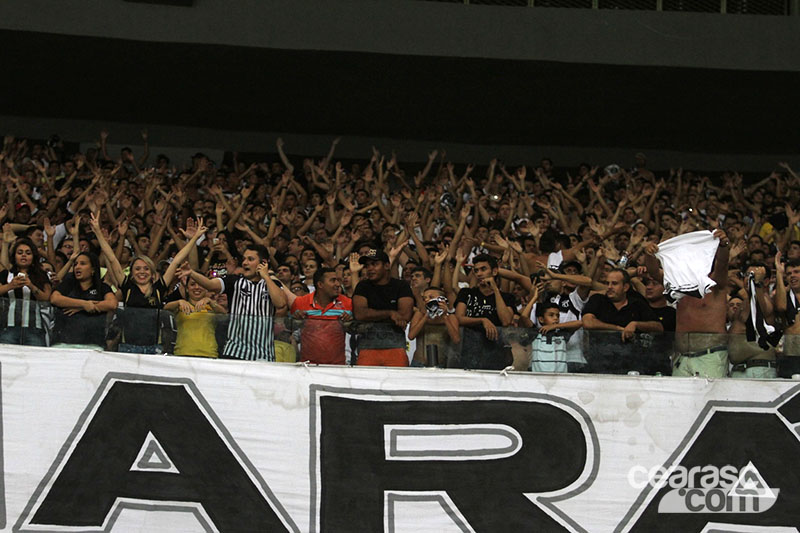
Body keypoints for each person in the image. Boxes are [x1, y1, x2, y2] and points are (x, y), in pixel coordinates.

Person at [91, 214, 208, 354]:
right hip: (127, 346)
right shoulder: (127, 286)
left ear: (152, 272)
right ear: (132, 272)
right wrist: (98, 231)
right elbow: (111, 258)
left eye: (146, 269)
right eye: (138, 269)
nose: (142, 272)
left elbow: (177, 260)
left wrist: (194, 238)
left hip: (154, 348)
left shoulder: (159, 287)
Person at [177, 244, 287, 361]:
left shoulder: (272, 285)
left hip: (264, 355)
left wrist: (266, 276)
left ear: (263, 263)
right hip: (235, 352)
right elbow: (210, 285)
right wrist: (192, 273)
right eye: (244, 259)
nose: (244, 263)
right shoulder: (234, 281)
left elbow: (280, 303)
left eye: (250, 259)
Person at [645, 230, 730, 378]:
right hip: (682, 357)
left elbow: (722, 264)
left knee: (708, 399)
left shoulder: (715, 283)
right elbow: (654, 272)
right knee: (679, 401)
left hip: (709, 356)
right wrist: (649, 255)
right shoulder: (677, 282)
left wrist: (723, 246)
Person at [582, 268, 664, 373]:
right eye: (607, 283)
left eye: (614, 283)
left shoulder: (637, 304)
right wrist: (618, 329)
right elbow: (588, 323)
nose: (609, 287)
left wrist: (635, 324)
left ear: (625, 287)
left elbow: (658, 327)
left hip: (632, 366)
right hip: (600, 365)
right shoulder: (597, 300)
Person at [351, 249, 414, 366]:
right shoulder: (362, 286)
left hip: (395, 348)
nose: (370, 268)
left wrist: (372, 315)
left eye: (374, 264)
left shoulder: (401, 286)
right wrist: (390, 313)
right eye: (367, 265)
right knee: (365, 384)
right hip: (367, 348)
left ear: (386, 265)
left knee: (397, 383)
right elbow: (360, 314)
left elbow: (404, 316)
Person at [455, 254, 515, 370]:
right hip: (471, 352)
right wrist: (483, 320)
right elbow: (459, 318)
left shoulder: (507, 298)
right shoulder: (467, 293)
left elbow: (506, 321)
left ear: (494, 271)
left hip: (497, 353)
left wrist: (495, 290)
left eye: (483, 269)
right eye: (476, 270)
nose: (479, 274)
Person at [49, 252, 117, 348]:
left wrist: (81, 308)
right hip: (63, 342)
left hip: (93, 343)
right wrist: (83, 304)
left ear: (93, 269)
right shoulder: (68, 284)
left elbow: (112, 304)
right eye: (75, 264)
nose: (77, 267)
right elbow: (54, 298)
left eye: (83, 264)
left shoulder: (102, 287)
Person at [290, 267, 352, 365]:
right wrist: (296, 321)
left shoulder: (347, 303)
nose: (338, 284)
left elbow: (355, 330)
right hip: (308, 366)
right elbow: (289, 328)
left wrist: (349, 324)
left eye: (338, 280)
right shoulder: (300, 303)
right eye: (333, 280)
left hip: (337, 367)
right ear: (320, 284)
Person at [728, 262, 777, 379]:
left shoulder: (765, 300)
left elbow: (762, 309)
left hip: (757, 369)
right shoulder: (745, 301)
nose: (747, 279)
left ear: (765, 282)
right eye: (746, 275)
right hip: (742, 369)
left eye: (752, 276)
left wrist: (758, 284)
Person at [0, 237, 53, 345]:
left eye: (28, 253)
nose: (24, 255)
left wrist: (31, 286)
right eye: (20, 252)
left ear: (33, 257)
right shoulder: (6, 274)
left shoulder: (41, 275)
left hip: (35, 327)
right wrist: (10, 286)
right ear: (14, 256)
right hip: (8, 326)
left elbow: (47, 297)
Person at [165, 277, 225, 358]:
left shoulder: (212, 307)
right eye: (192, 284)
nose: (197, 287)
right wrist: (178, 302)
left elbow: (225, 314)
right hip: (183, 353)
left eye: (201, 285)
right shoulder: (181, 305)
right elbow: (165, 309)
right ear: (187, 289)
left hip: (209, 354)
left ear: (206, 288)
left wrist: (210, 302)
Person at [408, 286, 461, 367]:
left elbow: (456, 339)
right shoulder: (419, 315)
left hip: (441, 364)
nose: (426, 300)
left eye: (431, 297)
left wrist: (445, 317)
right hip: (419, 362)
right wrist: (426, 316)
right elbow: (411, 336)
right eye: (424, 298)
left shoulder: (451, 317)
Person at [529, 302, 568, 373]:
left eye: (557, 315)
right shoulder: (536, 334)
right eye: (551, 315)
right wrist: (534, 299)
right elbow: (523, 318)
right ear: (541, 319)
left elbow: (580, 323)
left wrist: (555, 326)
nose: (556, 318)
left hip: (561, 378)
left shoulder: (562, 334)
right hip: (538, 377)